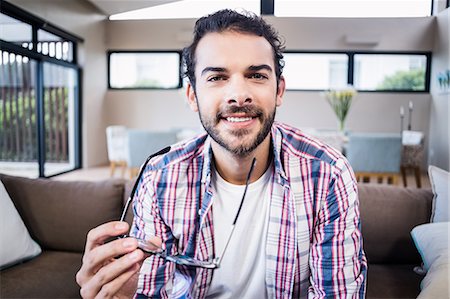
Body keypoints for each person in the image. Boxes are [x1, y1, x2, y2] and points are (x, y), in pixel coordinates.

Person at [76, 9, 367, 298]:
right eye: (217, 77)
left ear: (279, 90)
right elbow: (152, 292)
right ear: (192, 95)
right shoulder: (159, 178)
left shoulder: (328, 174)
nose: (238, 95)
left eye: (256, 75)